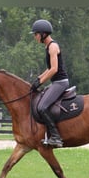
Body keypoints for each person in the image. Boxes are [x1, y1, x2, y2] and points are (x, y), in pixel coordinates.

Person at [30, 19, 69, 148]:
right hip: (56, 82)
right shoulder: (48, 46)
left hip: (60, 82)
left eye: (35, 34)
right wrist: (38, 79)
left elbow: (54, 69)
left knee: (42, 107)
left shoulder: (53, 46)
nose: (35, 37)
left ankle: (56, 137)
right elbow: (49, 68)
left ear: (43, 34)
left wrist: (41, 82)